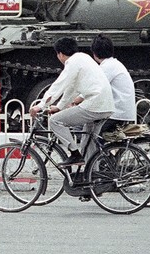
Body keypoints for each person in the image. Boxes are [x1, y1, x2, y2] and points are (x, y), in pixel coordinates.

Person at [30, 36, 115, 167]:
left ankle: (75, 154)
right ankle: (93, 176)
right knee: (88, 143)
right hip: (105, 104)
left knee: (55, 121)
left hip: (94, 104)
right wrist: (59, 107)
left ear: (60, 54)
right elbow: (71, 89)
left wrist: (40, 106)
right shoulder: (83, 58)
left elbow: (59, 85)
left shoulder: (72, 62)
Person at [91, 34, 136, 134]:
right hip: (123, 111)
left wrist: (76, 100)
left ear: (94, 54)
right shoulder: (114, 63)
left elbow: (94, 88)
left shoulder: (106, 67)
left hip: (117, 114)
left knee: (93, 135)